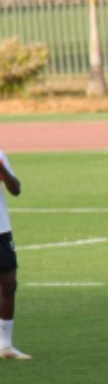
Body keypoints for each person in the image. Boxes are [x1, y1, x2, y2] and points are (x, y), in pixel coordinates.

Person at [0, 149, 29, 360]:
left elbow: (16, 189)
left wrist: (2, 169)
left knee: (9, 283)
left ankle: (5, 345)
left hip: (1, 229)